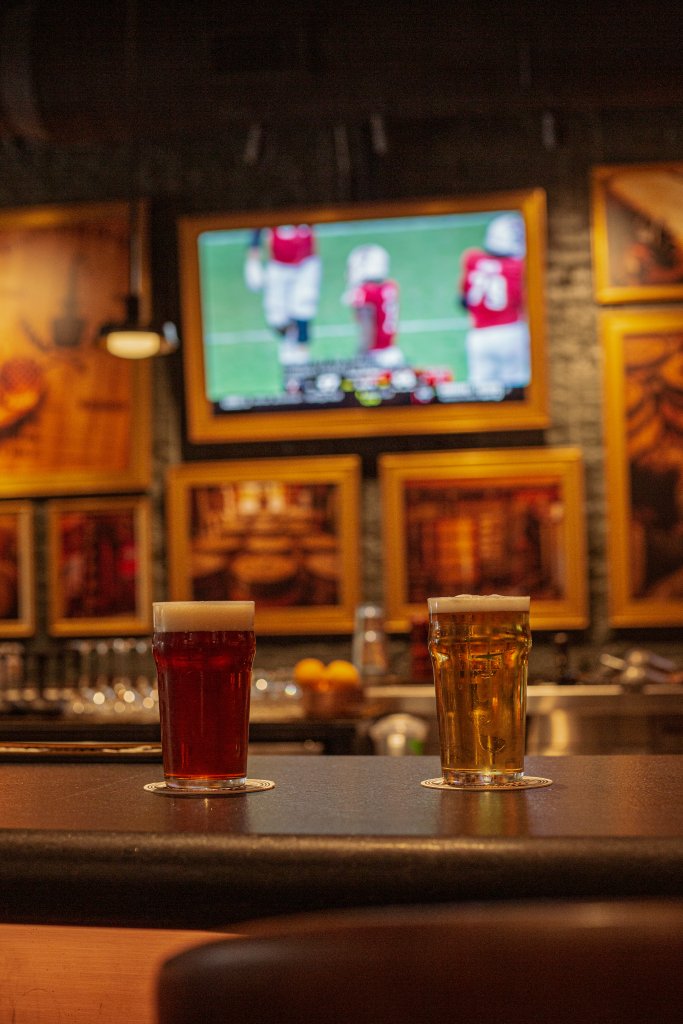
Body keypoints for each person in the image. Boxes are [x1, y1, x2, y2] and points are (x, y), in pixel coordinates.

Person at [459, 212, 530, 388]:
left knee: (480, 390)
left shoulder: (472, 259)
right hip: (511, 332)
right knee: (517, 387)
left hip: (478, 336)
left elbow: (463, 301)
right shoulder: (518, 267)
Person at [244, 225, 322, 365]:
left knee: (303, 308)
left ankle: (302, 355)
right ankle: (288, 341)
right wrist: (253, 256)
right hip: (278, 264)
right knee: (276, 317)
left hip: (306, 262)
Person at [342, 243, 404, 367]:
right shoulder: (390, 287)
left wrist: (361, 353)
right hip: (392, 352)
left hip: (374, 357)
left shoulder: (365, 292)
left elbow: (367, 329)